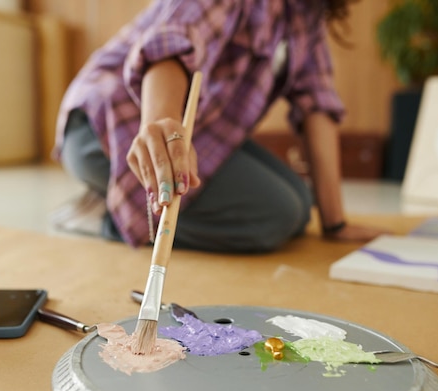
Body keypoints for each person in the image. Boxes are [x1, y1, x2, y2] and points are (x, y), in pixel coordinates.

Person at [54, 0, 385, 253]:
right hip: (103, 124)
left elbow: (318, 104)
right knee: (275, 215)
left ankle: (123, 200)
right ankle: (108, 216)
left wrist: (335, 223)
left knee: (299, 205)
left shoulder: (307, 16)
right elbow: (171, 42)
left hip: (202, 127)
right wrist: (161, 124)